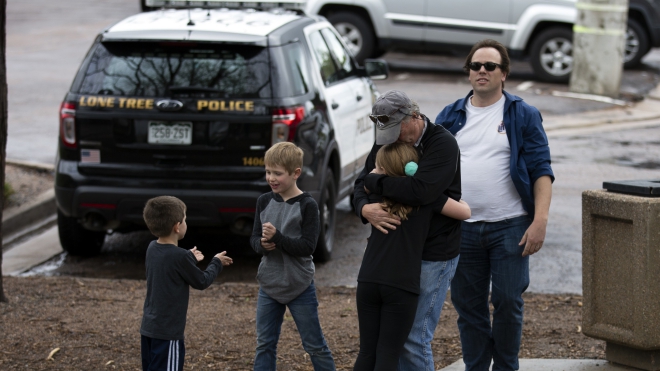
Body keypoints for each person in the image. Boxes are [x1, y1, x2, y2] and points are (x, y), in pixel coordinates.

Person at [435, 39, 554, 371]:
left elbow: (541, 170)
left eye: (490, 66)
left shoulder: (522, 115)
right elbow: (432, 170)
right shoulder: (450, 116)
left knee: (507, 301)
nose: (482, 71)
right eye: (476, 66)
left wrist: (540, 221)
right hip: (462, 229)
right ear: (469, 73)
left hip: (511, 227)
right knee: (468, 307)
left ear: (504, 74)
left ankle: (505, 367)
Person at [353, 90, 462, 371]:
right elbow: (359, 184)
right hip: (396, 255)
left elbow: (420, 191)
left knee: (413, 340)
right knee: (387, 345)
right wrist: (364, 208)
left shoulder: (443, 144)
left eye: (397, 130)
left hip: (434, 253)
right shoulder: (388, 139)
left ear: (413, 116)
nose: (393, 139)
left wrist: (375, 183)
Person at [250, 141, 335, 371]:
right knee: (265, 345)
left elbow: (308, 247)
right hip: (269, 283)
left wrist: (277, 238)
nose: (271, 178)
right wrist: (262, 244)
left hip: (300, 284)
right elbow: (253, 239)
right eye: (268, 172)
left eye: (277, 173)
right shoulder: (264, 201)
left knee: (314, 345)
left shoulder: (307, 205)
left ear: (296, 173)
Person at [140, 195, 233, 371]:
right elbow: (202, 281)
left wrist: (189, 258)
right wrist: (216, 263)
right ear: (177, 226)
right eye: (184, 220)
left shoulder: (152, 247)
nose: (185, 223)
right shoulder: (179, 257)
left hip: (149, 328)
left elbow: (168, 266)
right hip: (168, 333)